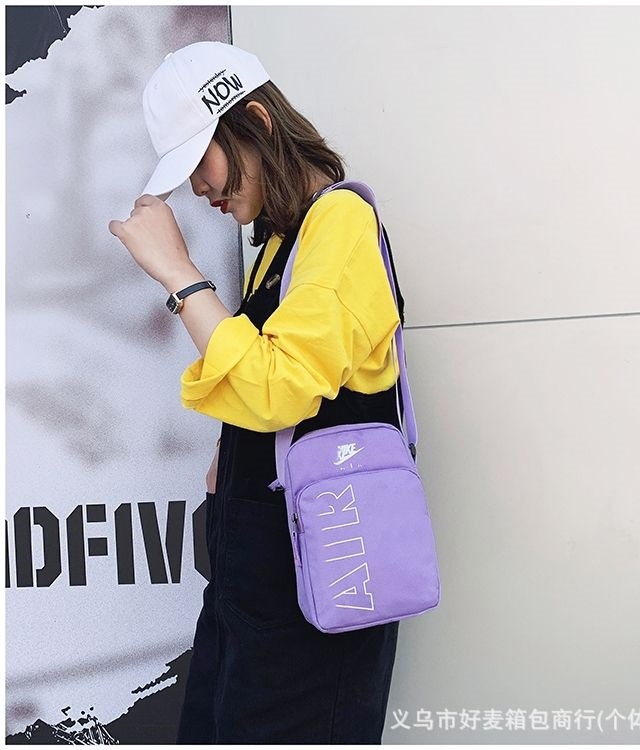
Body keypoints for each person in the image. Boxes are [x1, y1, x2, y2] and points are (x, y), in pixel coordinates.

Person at [108, 41, 407, 743]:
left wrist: (179, 274)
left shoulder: (339, 220)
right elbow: (271, 382)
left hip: (313, 578)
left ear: (257, 122)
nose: (200, 190)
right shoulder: (283, 240)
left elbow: (280, 391)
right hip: (264, 572)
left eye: (201, 164)